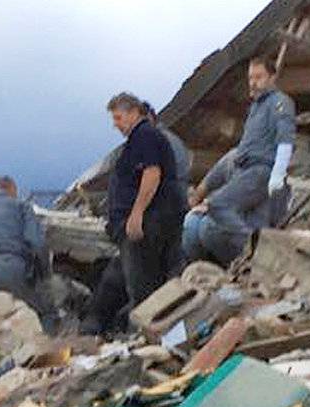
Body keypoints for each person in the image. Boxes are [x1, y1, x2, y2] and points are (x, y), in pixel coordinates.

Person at [186, 55, 296, 266]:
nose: (253, 83)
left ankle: (257, 251)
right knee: (201, 224)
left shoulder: (280, 103)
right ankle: (237, 257)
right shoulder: (256, 108)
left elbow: (285, 141)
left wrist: (278, 173)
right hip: (244, 171)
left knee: (217, 205)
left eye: (259, 77)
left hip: (261, 170)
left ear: (272, 77)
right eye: (250, 78)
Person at [87, 109, 191, 333]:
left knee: (140, 287)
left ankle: (141, 337)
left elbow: (152, 178)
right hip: (161, 223)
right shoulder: (167, 142)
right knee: (138, 281)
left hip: (148, 225)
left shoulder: (151, 140)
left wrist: (135, 215)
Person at [103, 92, 187, 313]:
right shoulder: (140, 138)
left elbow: (152, 173)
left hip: (151, 221)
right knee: (151, 280)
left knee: (142, 284)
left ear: (133, 113)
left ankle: (151, 330)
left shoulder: (145, 135)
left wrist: (136, 213)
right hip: (155, 219)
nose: (116, 125)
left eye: (118, 118)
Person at [0, 176, 53, 324]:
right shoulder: (21, 206)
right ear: (11, 188)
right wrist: (44, 274)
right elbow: (37, 242)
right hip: (13, 269)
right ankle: (49, 342)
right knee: (44, 312)